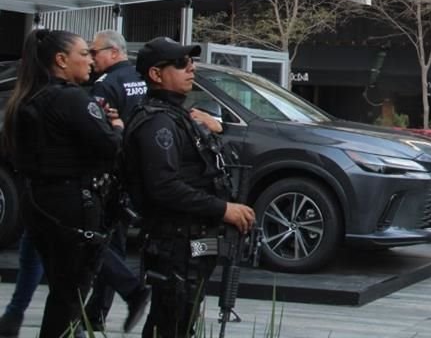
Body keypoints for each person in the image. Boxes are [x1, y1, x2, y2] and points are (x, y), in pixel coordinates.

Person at [124, 37, 255, 338]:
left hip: (193, 242)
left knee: (184, 317)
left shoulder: (179, 117)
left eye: (191, 62)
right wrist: (224, 210)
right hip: (174, 242)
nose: (191, 68)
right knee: (170, 322)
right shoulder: (158, 124)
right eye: (181, 63)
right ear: (156, 74)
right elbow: (164, 187)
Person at [1, 29, 123, 338]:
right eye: (83, 54)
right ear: (61, 60)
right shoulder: (69, 98)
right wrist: (117, 127)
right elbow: (111, 148)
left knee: (62, 292)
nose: (90, 61)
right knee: (70, 295)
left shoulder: (28, 97)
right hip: (71, 204)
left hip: (40, 202)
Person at [84, 29, 151, 332]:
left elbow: (93, 131)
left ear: (113, 52)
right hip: (136, 171)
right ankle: (96, 311)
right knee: (115, 242)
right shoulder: (143, 78)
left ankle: (102, 306)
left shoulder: (106, 84)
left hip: (108, 173)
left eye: (94, 52)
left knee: (94, 242)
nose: (91, 57)